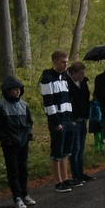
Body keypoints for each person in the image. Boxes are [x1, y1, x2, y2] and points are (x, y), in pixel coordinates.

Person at [0, 76, 35, 208]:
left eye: (18, 89)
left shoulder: (24, 105)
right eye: (14, 90)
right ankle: (17, 197)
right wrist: (6, 140)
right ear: (7, 91)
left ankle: (25, 193)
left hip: (23, 142)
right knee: (13, 170)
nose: (16, 92)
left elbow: (29, 122)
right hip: (10, 144)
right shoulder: (0, 106)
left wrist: (28, 135)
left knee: (23, 169)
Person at [40, 50, 77, 192]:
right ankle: (58, 182)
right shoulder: (47, 78)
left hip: (67, 118)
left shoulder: (64, 78)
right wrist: (56, 122)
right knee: (57, 151)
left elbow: (67, 99)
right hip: (58, 120)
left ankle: (65, 178)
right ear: (55, 61)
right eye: (63, 62)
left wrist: (71, 118)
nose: (66, 64)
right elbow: (48, 103)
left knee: (66, 151)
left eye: (67, 62)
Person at [66, 61, 96, 184]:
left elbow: (84, 98)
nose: (83, 76)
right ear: (73, 73)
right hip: (73, 119)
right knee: (75, 148)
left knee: (81, 148)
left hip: (83, 117)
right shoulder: (67, 84)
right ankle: (75, 174)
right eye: (81, 74)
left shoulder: (83, 83)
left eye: (84, 74)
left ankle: (80, 172)